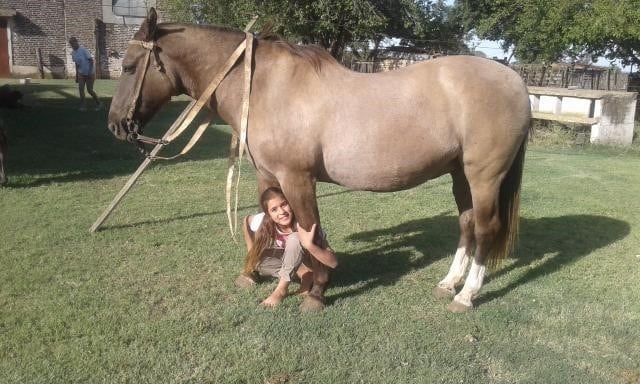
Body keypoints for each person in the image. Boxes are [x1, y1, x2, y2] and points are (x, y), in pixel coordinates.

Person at [236, 187, 338, 307]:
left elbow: (333, 263)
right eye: (274, 209)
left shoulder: (305, 224)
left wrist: (309, 245)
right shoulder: (267, 222)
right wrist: (251, 255)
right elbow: (247, 221)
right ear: (268, 214)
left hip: (316, 265)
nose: (281, 212)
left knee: (294, 238)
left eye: (284, 205)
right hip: (295, 262)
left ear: (291, 203)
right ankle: (303, 274)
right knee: (255, 259)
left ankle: (280, 291)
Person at [68, 37, 102, 111]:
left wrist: (89, 72)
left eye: (73, 43)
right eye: (71, 44)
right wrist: (77, 75)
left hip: (90, 73)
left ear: (76, 42)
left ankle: (99, 103)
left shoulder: (83, 50)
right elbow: (77, 64)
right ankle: (83, 106)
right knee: (81, 89)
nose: (72, 45)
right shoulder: (73, 53)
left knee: (89, 90)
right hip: (81, 74)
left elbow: (91, 61)